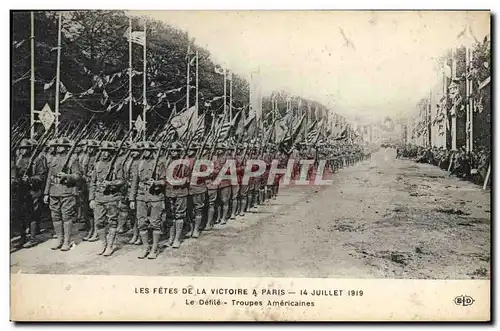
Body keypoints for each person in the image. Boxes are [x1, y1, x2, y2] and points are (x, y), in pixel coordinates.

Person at [129, 141, 167, 259]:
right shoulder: (138, 163)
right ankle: (146, 247)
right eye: (143, 150)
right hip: (141, 196)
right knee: (141, 223)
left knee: (155, 223)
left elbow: (165, 181)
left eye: (148, 151)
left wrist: (155, 182)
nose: (145, 152)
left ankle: (154, 249)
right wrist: (132, 199)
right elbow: (135, 182)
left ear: (152, 152)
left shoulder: (160, 163)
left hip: (155, 197)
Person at [88, 141, 126, 256]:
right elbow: (93, 183)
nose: (105, 153)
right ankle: (103, 244)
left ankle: (110, 245)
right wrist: (91, 199)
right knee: (99, 222)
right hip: (99, 197)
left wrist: (110, 183)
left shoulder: (117, 164)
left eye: (108, 151)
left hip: (111, 197)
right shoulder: (97, 164)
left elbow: (122, 180)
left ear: (111, 153)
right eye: (103, 151)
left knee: (112, 222)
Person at [43, 137, 82, 251]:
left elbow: (78, 176)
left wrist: (67, 176)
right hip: (54, 191)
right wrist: (46, 193)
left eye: (60, 146)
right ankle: (59, 239)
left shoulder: (72, 160)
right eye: (57, 146)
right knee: (55, 217)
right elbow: (49, 178)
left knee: (66, 216)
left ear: (66, 147)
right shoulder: (53, 160)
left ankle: (66, 241)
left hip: (66, 191)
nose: (58, 148)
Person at [14, 138, 48, 248]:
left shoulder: (37, 160)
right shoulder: (18, 159)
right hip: (21, 191)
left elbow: (42, 176)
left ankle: (32, 238)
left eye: (25, 149)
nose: (23, 151)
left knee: (32, 214)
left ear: (30, 149)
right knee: (21, 215)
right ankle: (23, 238)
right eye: (21, 149)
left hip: (33, 190)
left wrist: (30, 179)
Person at [164, 142, 190, 249]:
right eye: (171, 150)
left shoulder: (185, 163)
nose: (173, 152)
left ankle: (177, 239)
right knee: (170, 215)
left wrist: (179, 181)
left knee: (179, 215)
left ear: (179, 152)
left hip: (180, 192)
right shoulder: (166, 162)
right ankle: (171, 238)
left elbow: (188, 178)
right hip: (169, 191)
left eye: (175, 151)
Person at [187, 143, 207, 238]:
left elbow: (208, 173)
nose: (189, 151)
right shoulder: (185, 160)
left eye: (191, 149)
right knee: (189, 210)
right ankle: (191, 229)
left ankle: (196, 229)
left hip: (198, 188)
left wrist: (200, 173)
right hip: (187, 188)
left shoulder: (201, 161)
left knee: (198, 209)